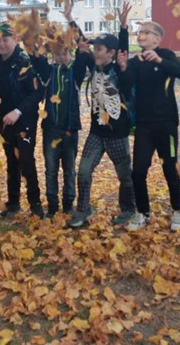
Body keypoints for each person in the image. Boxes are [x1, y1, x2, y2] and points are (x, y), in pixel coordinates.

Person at [116, 2, 180, 232]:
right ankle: (143, 213)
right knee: (138, 171)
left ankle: (177, 211)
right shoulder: (136, 62)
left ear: (157, 38)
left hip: (166, 124)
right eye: (139, 32)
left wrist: (159, 61)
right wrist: (123, 66)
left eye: (146, 32)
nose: (141, 35)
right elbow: (126, 84)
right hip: (144, 126)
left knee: (170, 168)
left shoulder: (166, 55)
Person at [68, 33, 137, 228]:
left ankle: (128, 209)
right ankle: (83, 209)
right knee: (83, 172)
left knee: (125, 175)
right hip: (96, 133)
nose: (95, 52)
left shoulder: (119, 70)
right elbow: (81, 49)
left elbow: (124, 58)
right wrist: (71, 21)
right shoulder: (93, 66)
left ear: (111, 53)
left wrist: (124, 29)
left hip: (117, 134)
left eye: (99, 49)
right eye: (94, 48)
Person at [30, 0, 88, 217]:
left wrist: (70, 19)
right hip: (51, 129)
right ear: (53, 54)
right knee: (51, 169)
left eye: (65, 53)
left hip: (70, 129)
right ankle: (53, 206)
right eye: (58, 54)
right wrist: (35, 32)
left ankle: (68, 204)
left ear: (70, 54)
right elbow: (35, 55)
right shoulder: (49, 71)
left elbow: (83, 45)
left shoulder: (76, 71)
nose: (62, 57)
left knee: (70, 170)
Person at [0, 23, 45, 218]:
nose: (1, 43)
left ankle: (35, 204)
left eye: (5, 39)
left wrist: (17, 112)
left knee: (26, 159)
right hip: (4, 120)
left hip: (24, 118)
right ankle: (13, 204)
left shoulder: (25, 62)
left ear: (15, 39)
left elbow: (37, 93)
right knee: (11, 160)